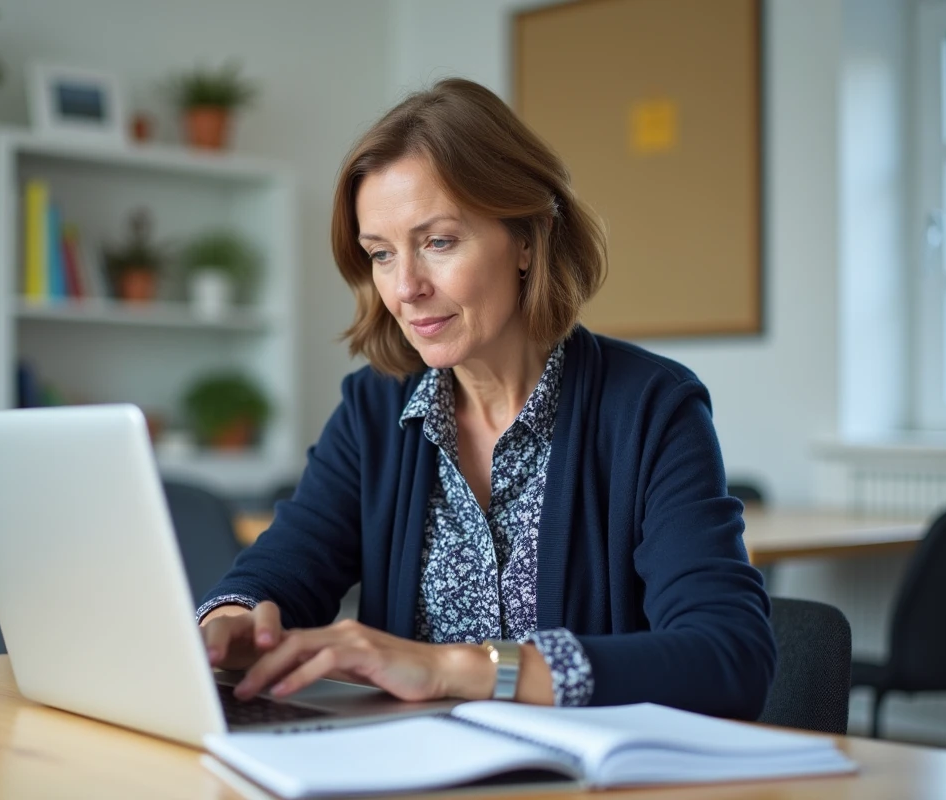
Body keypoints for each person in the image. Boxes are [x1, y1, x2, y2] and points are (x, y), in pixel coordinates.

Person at [198, 78, 775, 717]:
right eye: (382, 255)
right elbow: (282, 570)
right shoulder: (374, 410)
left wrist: (452, 668)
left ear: (526, 239)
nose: (406, 287)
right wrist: (231, 621)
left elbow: (730, 657)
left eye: (438, 242)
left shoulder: (650, 409)